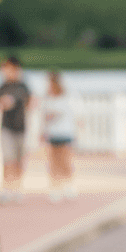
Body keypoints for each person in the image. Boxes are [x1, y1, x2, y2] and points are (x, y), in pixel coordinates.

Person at [0, 55, 33, 203]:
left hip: (21, 127)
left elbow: (30, 102)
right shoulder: (2, 86)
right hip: (6, 127)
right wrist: (2, 103)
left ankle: (17, 188)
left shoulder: (23, 86)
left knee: (19, 159)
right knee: (7, 159)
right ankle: (6, 188)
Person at [41, 69, 78, 202]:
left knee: (65, 161)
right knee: (53, 162)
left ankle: (68, 185)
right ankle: (55, 187)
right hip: (52, 133)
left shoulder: (66, 97)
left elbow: (62, 113)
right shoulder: (47, 98)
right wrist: (42, 131)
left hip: (65, 132)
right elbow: (44, 116)